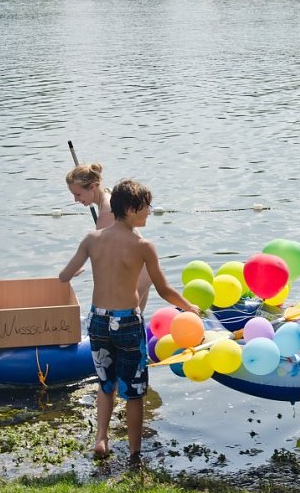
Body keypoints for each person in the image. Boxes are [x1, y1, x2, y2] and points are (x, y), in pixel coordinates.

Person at [59, 178, 200, 463]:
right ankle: (135, 453)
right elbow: (163, 289)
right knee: (134, 393)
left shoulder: (91, 239)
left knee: (105, 383)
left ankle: (101, 439)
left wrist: (81, 271)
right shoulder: (143, 245)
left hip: (97, 321)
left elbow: (64, 275)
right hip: (127, 323)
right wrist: (189, 307)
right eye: (146, 207)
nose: (149, 211)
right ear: (133, 209)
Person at [66, 163, 152, 312]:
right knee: (133, 327)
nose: (75, 200)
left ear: (93, 186)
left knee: (124, 326)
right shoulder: (108, 198)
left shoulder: (106, 212)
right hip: (140, 272)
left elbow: (101, 255)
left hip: (137, 277)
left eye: (78, 194)